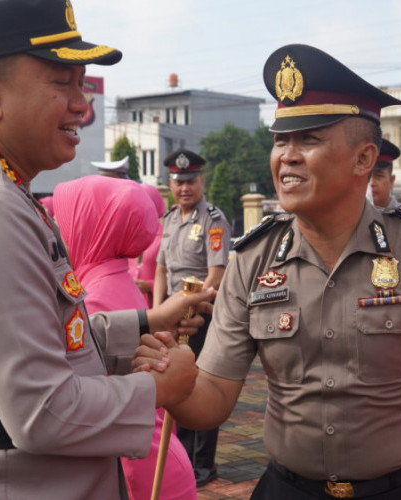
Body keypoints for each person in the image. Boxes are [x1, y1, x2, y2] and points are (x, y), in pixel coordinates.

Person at [138, 43, 401, 500]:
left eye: (309, 139)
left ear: (364, 159)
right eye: (281, 139)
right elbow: (215, 398)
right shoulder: (253, 259)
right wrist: (174, 385)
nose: (287, 155)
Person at [0, 1, 215, 498]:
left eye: (82, 84)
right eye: (62, 83)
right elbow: (42, 410)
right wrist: (159, 389)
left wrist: (150, 321)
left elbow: (49, 336)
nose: (82, 106)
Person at [53, 175, 196, 500]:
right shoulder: (112, 278)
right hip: (150, 456)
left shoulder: (94, 296)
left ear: (91, 226)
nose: (57, 232)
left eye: (65, 219)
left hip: (137, 471)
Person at [153, 148, 231, 487]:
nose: (185, 187)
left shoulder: (213, 219)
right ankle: (183, 458)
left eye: (191, 181)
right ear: (170, 182)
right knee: (177, 386)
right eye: (178, 181)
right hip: (172, 315)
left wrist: (189, 308)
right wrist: (157, 313)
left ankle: (204, 464)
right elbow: (160, 269)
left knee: (201, 385)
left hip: (200, 316)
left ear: (201, 182)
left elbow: (216, 273)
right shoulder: (170, 219)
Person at [133, 183, 167, 307]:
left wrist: (149, 286)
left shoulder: (165, 237)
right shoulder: (129, 236)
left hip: (156, 307)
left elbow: (175, 275)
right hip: (130, 306)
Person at [368, 138, 401, 209]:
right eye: (367, 176)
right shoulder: (349, 217)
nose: (371, 183)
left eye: (379, 176)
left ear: (391, 181)